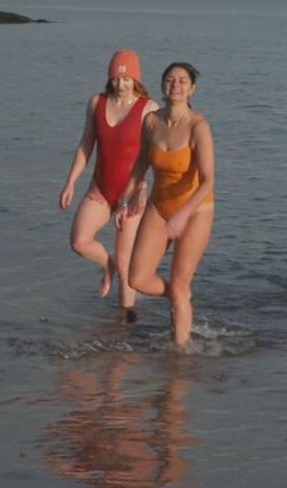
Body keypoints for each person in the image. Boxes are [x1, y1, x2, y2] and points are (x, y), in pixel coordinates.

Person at [59, 50, 159, 322]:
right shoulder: (97, 103)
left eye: (126, 78)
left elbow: (155, 155)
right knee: (79, 242)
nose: (120, 83)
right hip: (100, 189)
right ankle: (107, 265)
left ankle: (126, 322)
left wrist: (143, 188)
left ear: (136, 79)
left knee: (127, 261)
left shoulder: (149, 108)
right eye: (116, 77)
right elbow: (85, 146)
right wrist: (70, 183)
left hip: (133, 194)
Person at [121, 63, 215, 346]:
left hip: (196, 210)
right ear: (163, 85)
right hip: (160, 206)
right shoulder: (151, 121)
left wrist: (183, 216)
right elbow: (140, 165)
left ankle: (180, 354)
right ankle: (179, 294)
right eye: (170, 79)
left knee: (180, 281)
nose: (176, 84)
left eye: (183, 81)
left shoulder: (198, 126)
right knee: (137, 279)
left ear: (192, 89)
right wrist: (124, 201)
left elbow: (209, 180)